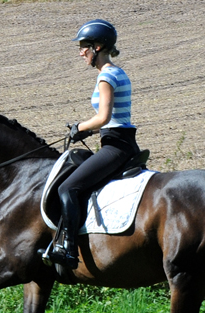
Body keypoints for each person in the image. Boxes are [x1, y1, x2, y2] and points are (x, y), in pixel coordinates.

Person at [48, 19, 141, 270]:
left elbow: (104, 117)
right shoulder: (116, 72)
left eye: (84, 47)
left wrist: (80, 127)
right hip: (118, 140)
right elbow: (112, 120)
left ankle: (66, 249)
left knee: (68, 188)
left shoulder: (107, 75)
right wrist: (89, 132)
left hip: (116, 147)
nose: (81, 52)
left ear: (98, 47)